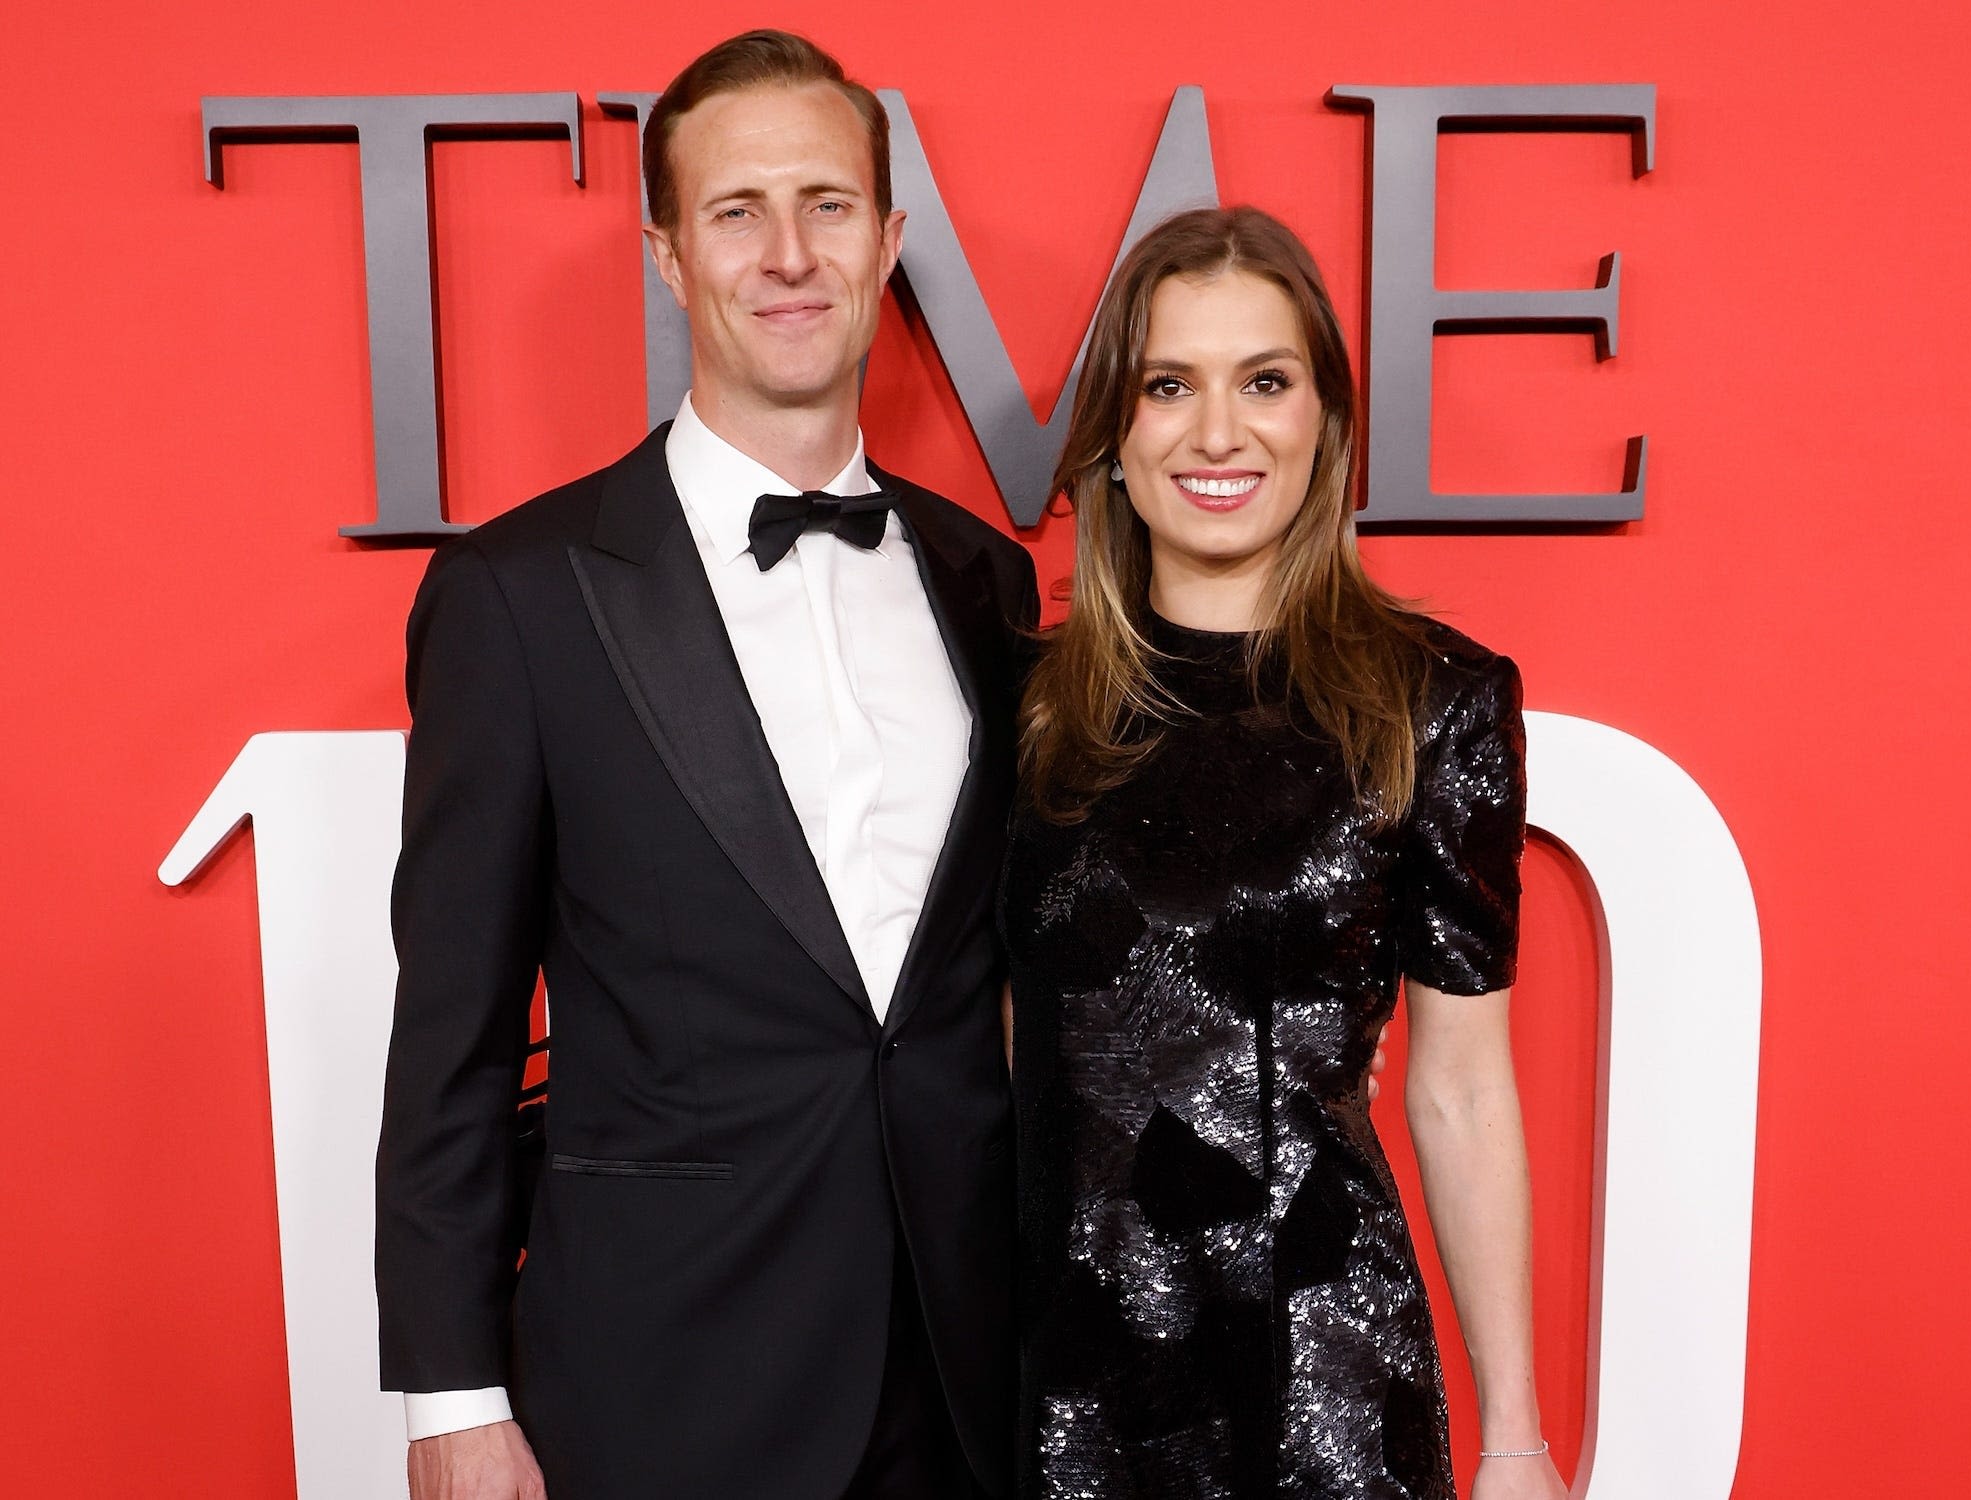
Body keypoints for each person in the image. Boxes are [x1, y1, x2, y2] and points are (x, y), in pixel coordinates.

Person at [374, 30, 1038, 1500]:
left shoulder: (986, 580)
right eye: (738, 213)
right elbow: (453, 1037)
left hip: (969, 1370)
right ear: (670, 259)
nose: (789, 254)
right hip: (662, 1378)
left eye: (829, 205)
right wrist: (451, 1396)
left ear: (890, 243)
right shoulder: (521, 594)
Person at [1002, 206, 1564, 1500]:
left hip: (1322, 1375)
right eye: (1168, 385)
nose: (1218, 432)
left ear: (1326, 422)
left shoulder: (1434, 700)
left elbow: (1463, 1093)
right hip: (1061, 1389)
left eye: (1264, 381)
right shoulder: (1023, 705)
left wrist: (1516, 1440)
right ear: (1113, 439)